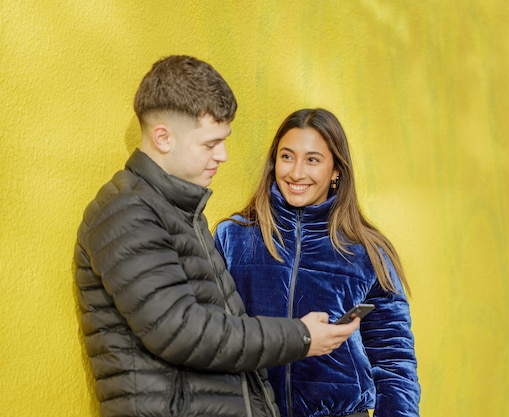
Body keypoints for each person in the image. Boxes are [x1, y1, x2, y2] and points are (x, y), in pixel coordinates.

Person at [74, 56, 360, 417]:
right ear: (163, 137)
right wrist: (301, 337)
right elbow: (182, 332)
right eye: (210, 144)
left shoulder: (178, 211)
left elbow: (225, 331)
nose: (223, 155)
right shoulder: (127, 213)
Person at [214, 108, 420, 417]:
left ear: (336, 170)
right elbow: (209, 335)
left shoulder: (367, 251)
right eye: (287, 156)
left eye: (312, 160)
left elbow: (393, 358)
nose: (296, 173)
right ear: (274, 163)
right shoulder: (233, 237)